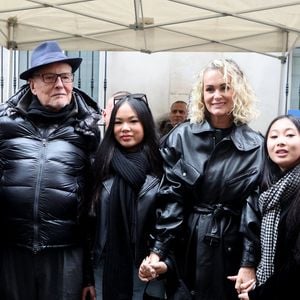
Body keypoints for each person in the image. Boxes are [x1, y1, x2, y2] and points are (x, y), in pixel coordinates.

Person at [139, 58, 265, 300]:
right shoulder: (182, 136)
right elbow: (171, 199)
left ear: (237, 91)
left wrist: (249, 263)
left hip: (231, 248)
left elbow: (254, 210)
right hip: (188, 244)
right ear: (201, 94)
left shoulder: (256, 144)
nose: (216, 95)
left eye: (224, 87)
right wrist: (158, 252)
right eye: (210, 89)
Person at [0, 41, 101, 300]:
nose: (60, 84)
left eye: (65, 77)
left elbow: (93, 206)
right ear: (32, 84)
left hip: (65, 253)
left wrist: (88, 273)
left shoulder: (88, 129)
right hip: (11, 250)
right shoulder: (4, 123)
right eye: (49, 77)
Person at [82, 93, 167, 300]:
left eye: (133, 121)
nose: (125, 128)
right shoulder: (100, 165)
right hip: (104, 270)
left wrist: (158, 256)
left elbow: (170, 220)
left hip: (147, 270)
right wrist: (87, 278)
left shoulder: (162, 166)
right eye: (118, 122)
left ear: (145, 124)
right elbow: (86, 225)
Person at [233, 115, 300, 300]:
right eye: (274, 136)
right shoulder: (267, 191)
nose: (281, 142)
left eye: (289, 135)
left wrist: (258, 294)